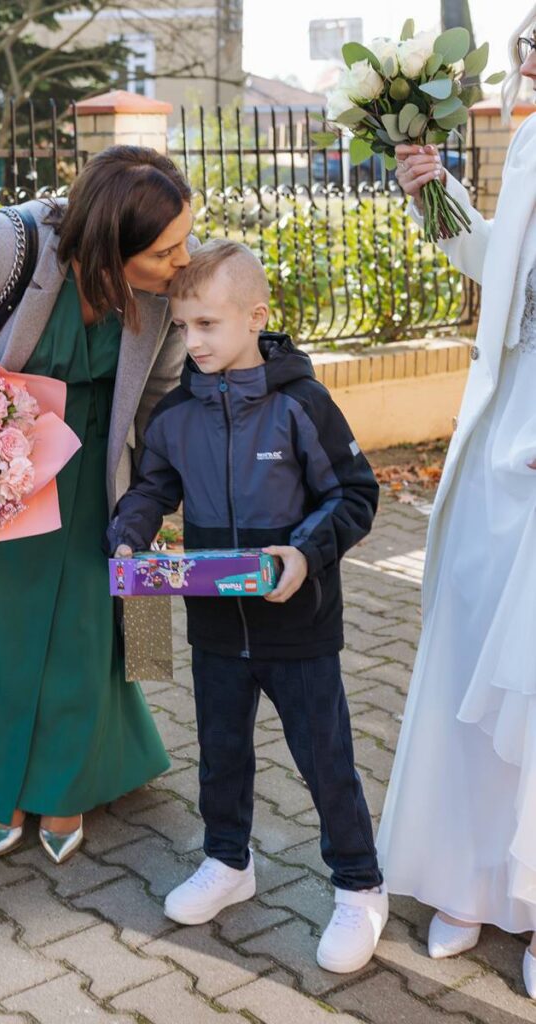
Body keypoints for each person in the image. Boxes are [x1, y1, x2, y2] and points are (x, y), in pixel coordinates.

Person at [0, 146, 196, 864]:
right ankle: (4, 791)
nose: (182, 259)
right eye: (164, 250)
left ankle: (65, 788)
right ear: (110, 244)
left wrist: (158, 506)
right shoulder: (5, 241)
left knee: (90, 635)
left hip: (100, 469)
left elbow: (158, 397)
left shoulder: (164, 294)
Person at [108, 239, 388, 974]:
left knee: (324, 761)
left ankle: (359, 887)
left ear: (254, 317)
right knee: (221, 757)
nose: (191, 341)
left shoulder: (302, 404)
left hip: (296, 623)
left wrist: (303, 552)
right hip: (212, 626)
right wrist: (131, 533)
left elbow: (354, 495)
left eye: (206, 324)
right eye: (181, 327)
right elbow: (151, 487)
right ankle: (228, 864)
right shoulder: (175, 413)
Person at [376, 13, 536, 998]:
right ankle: (465, 875)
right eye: (529, 43)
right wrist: (433, 194)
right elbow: (494, 269)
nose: (529, 60)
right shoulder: (525, 146)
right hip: (503, 433)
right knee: (470, 640)